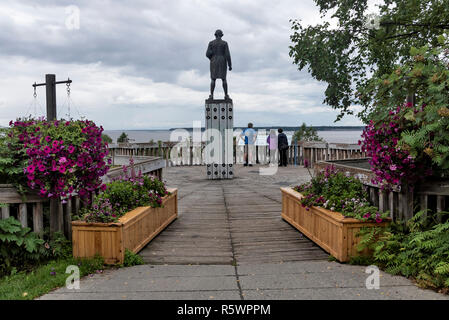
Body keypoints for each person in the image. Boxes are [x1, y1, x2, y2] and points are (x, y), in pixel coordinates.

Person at [206, 29, 232, 100]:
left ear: (215, 35)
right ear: (221, 35)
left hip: (214, 61)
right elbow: (227, 54)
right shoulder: (224, 43)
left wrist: (212, 58)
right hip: (222, 61)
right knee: (224, 79)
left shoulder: (211, 43)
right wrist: (230, 65)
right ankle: (226, 95)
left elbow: (207, 54)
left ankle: (211, 95)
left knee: (213, 79)